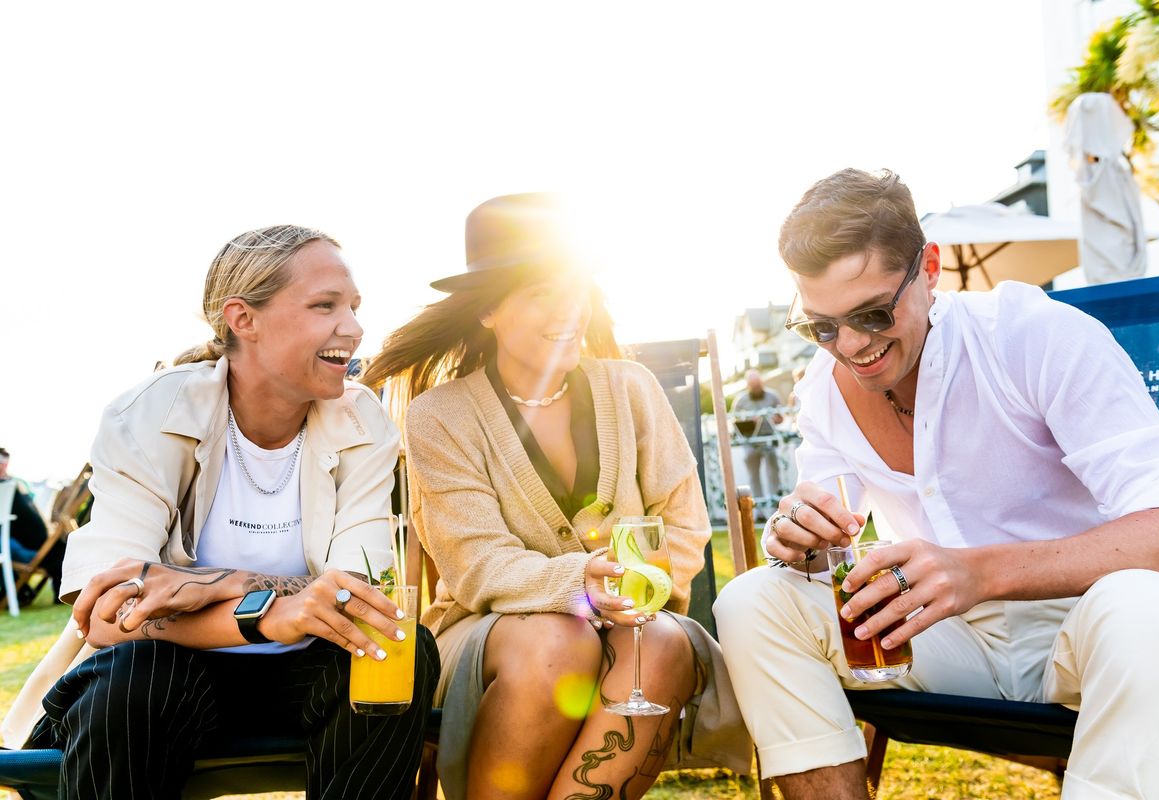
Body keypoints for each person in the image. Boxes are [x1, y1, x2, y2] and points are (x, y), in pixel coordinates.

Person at [713, 168, 1159, 800]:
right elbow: (827, 538)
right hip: (942, 639)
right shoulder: (820, 391)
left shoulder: (1036, 337)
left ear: (930, 268)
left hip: (1087, 629)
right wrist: (802, 539)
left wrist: (980, 571)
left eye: (873, 312)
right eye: (823, 326)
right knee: (754, 600)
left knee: (1150, 607)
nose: (852, 346)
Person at [2, 225, 439, 799]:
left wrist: (201, 588)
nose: (354, 329)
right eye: (324, 306)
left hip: (305, 676)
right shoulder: (148, 413)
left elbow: (354, 596)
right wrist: (252, 600)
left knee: (397, 645)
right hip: (167, 679)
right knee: (140, 675)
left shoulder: (363, 423)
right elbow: (108, 616)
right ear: (243, 319)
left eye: (354, 308)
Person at [362, 193, 749, 800]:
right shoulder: (441, 415)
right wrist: (579, 586)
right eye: (542, 291)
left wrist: (627, 599)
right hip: (487, 637)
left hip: (634, 622)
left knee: (661, 642)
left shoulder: (633, 388)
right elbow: (476, 563)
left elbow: (683, 528)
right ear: (487, 309)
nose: (568, 310)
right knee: (557, 640)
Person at [0, 447, 65, 602]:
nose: (3, 468)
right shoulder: (16, 485)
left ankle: (17, 592)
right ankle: (19, 591)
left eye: (4, 464)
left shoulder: (12, 486)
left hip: (28, 548)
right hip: (38, 545)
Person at [731, 370, 785, 502]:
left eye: (758, 384)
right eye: (753, 385)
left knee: (774, 473)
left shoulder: (773, 396)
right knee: (753, 476)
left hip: (768, 440)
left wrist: (772, 418)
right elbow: (734, 422)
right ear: (748, 385)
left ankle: (776, 503)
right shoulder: (740, 400)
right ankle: (757, 508)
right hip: (750, 443)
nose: (756, 387)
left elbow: (781, 417)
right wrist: (751, 421)